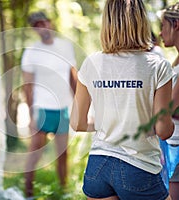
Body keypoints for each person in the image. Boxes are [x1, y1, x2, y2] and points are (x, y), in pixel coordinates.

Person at [70, 0, 175, 199]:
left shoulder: (91, 63)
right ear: (140, 21)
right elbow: (163, 131)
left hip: (97, 167)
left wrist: (111, 124)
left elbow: (77, 123)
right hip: (139, 168)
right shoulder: (158, 66)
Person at [21, 11, 77, 197]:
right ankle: (28, 192)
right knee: (34, 154)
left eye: (43, 22)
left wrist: (78, 104)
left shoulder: (66, 46)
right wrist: (30, 116)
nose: (41, 27)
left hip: (63, 108)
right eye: (36, 25)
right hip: (41, 109)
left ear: (50, 23)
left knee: (63, 155)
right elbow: (27, 86)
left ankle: (64, 190)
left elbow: (72, 77)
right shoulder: (31, 52)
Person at [159, 2, 179, 199]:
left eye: (162, 26)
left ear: (176, 25)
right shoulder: (175, 61)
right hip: (172, 143)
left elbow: (170, 108)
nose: (160, 33)